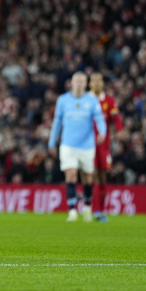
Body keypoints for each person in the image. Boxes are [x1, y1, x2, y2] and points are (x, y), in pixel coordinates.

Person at [48, 72, 106, 223]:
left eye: (82, 81)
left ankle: (87, 207)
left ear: (86, 84)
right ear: (71, 83)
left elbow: (100, 119)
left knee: (88, 178)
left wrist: (102, 132)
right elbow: (57, 122)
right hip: (68, 145)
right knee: (71, 174)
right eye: (77, 81)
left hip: (87, 146)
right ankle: (72, 210)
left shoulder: (92, 101)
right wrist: (52, 142)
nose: (79, 84)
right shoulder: (63, 100)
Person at [88, 72, 123, 222]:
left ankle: (101, 211)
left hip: (104, 146)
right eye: (94, 81)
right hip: (88, 145)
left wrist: (120, 130)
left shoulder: (109, 100)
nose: (96, 83)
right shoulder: (86, 100)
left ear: (102, 83)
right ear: (90, 83)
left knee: (103, 178)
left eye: (99, 80)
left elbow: (116, 118)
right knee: (94, 176)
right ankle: (95, 209)